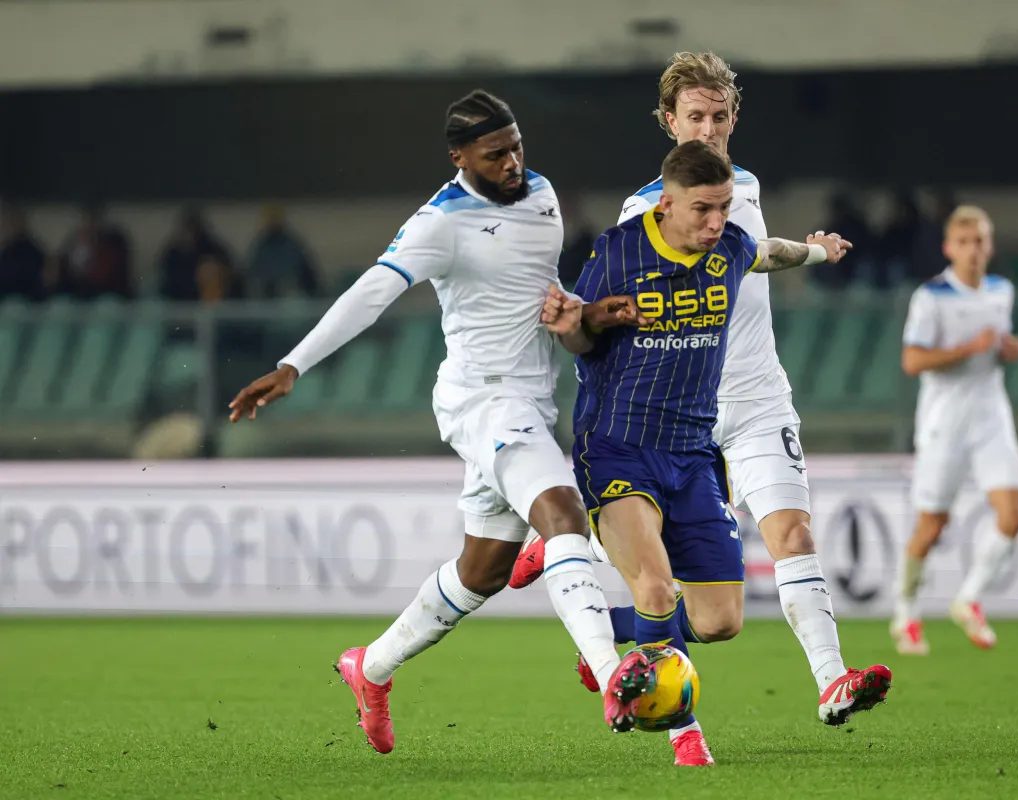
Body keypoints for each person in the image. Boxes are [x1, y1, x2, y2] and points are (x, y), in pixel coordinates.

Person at [227, 89, 652, 753]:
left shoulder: (541, 194)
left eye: (517, 147)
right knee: (563, 512)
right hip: (482, 401)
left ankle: (370, 669)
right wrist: (293, 365)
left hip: (534, 403)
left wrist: (588, 311)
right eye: (495, 154)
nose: (512, 163)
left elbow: (535, 295)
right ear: (459, 158)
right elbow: (373, 292)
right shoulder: (440, 221)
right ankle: (611, 674)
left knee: (482, 572)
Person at [510, 51, 891, 734]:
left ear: (734, 118)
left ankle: (833, 682)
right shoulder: (642, 213)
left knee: (792, 534)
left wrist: (814, 251)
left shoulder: (745, 188)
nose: (707, 130)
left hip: (756, 399)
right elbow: (603, 328)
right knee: (679, 587)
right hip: (675, 412)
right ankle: (581, 546)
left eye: (718, 117)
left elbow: (752, 252)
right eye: (694, 117)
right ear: (669, 121)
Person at [891, 205, 1018, 655]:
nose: (973, 251)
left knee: (1013, 514)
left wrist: (1007, 350)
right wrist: (968, 348)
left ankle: (968, 599)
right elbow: (913, 361)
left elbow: (997, 347)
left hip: (991, 415)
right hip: (944, 422)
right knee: (932, 525)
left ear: (990, 245)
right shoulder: (931, 297)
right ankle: (905, 614)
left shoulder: (1001, 291)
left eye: (980, 242)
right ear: (949, 248)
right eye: (964, 243)